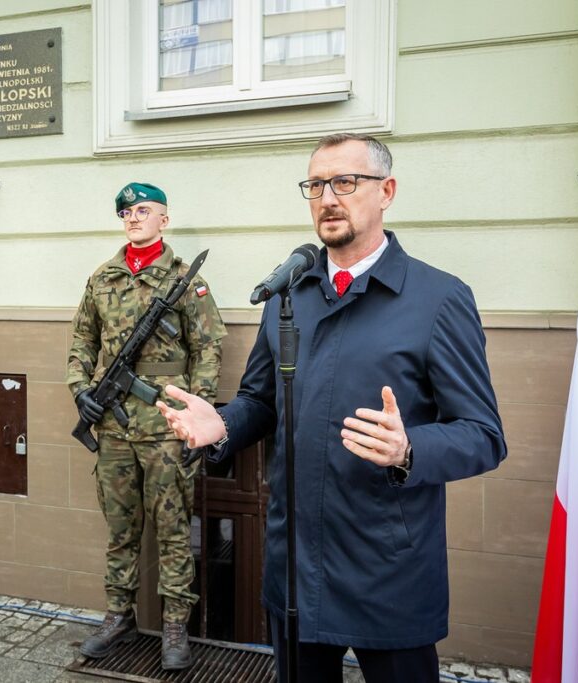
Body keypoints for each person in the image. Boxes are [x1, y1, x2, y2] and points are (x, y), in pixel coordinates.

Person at [157, 134, 506, 683]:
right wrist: (222, 424)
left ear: (386, 191)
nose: (328, 198)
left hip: (388, 570)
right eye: (316, 184)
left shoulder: (438, 298)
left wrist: (410, 448)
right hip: (295, 567)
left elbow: (484, 435)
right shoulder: (289, 295)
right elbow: (261, 400)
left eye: (346, 182)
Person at [67, 182, 226, 670]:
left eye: (143, 210)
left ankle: (176, 623)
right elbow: (81, 342)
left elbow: (208, 348)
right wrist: (81, 391)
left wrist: (196, 412)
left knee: (174, 528)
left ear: (164, 218)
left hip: (164, 424)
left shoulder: (184, 280)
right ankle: (119, 614)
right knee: (120, 528)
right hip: (113, 428)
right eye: (127, 212)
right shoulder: (102, 278)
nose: (133, 218)